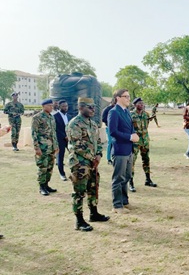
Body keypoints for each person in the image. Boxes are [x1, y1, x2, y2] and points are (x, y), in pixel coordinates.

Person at [67, 97, 110, 232]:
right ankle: (79, 220)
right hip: (80, 163)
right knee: (79, 192)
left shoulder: (93, 124)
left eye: (94, 107)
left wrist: (99, 155)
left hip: (92, 163)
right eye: (89, 107)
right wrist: (93, 158)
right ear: (80, 108)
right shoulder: (75, 124)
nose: (93, 110)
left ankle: (94, 213)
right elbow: (77, 145)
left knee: (93, 188)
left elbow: (99, 141)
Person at [108, 89, 139, 214]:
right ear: (118, 98)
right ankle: (117, 205)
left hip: (128, 149)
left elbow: (130, 128)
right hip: (120, 149)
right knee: (118, 178)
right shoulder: (114, 112)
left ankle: (124, 202)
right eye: (126, 96)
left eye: (129, 96)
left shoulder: (126, 112)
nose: (128, 99)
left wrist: (134, 134)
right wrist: (130, 137)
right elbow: (113, 132)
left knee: (126, 176)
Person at [31, 99, 59, 196]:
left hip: (51, 147)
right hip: (42, 147)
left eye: (52, 105)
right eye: (49, 105)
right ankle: (41, 186)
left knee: (50, 167)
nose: (52, 107)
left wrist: (56, 145)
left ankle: (46, 185)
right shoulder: (37, 117)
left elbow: (54, 133)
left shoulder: (51, 117)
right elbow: (34, 133)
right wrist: (36, 148)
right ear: (43, 106)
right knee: (43, 167)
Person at [129, 97, 157, 192]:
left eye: (143, 103)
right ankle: (131, 183)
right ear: (135, 105)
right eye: (140, 103)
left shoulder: (146, 114)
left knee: (146, 160)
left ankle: (148, 179)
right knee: (132, 162)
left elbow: (147, 124)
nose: (142, 105)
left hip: (145, 141)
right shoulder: (130, 115)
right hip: (135, 142)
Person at [54, 100, 69, 181]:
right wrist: (64, 136)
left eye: (66, 106)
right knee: (60, 157)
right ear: (59, 107)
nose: (65, 108)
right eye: (63, 106)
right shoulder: (55, 116)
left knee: (73, 154)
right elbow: (56, 129)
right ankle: (62, 174)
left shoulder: (69, 116)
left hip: (69, 139)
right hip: (60, 140)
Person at [102, 97, 116, 165]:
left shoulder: (117, 109)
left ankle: (114, 157)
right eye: (115, 101)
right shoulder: (107, 109)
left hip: (117, 129)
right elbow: (103, 118)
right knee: (110, 143)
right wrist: (110, 122)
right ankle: (108, 159)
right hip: (109, 128)